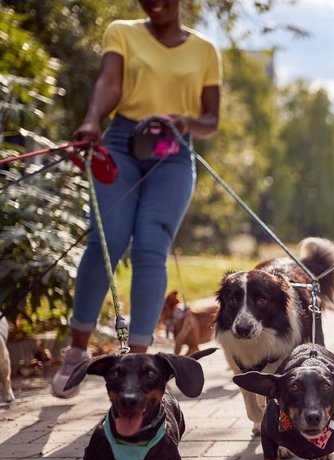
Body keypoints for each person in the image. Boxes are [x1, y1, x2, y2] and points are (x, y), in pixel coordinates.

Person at [51, 0, 221, 398]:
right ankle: (77, 350)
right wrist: (93, 119)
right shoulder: (122, 31)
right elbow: (110, 83)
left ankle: (139, 364)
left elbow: (211, 119)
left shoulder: (205, 50)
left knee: (150, 248)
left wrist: (184, 122)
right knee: (107, 238)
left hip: (174, 150)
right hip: (122, 143)